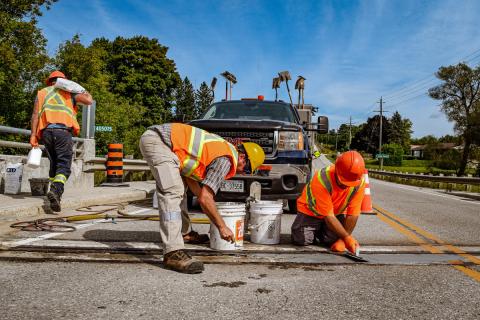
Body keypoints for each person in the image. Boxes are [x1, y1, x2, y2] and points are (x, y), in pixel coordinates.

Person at [139, 123, 265, 274]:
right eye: (246, 168)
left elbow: (195, 186)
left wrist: (206, 202)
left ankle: (184, 233)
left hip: (164, 143)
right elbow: (205, 198)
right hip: (159, 142)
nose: (244, 173)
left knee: (180, 190)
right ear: (243, 157)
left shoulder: (220, 150)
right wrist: (222, 227)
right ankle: (172, 252)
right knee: (172, 192)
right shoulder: (226, 159)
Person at [29, 71, 93, 212]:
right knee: (64, 165)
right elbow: (89, 100)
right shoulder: (69, 93)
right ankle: (56, 191)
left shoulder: (42, 93)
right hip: (62, 132)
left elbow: (35, 115)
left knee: (54, 165)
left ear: (50, 81)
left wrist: (33, 135)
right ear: (64, 81)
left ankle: (55, 198)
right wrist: (81, 88)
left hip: (46, 133)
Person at [291, 150, 366, 254]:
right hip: (311, 212)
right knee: (300, 239)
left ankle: (324, 233)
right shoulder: (322, 179)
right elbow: (328, 216)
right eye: (344, 181)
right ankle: (317, 230)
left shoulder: (359, 182)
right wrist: (346, 237)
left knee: (331, 241)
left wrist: (343, 240)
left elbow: (353, 214)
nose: (347, 186)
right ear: (337, 171)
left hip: (335, 213)